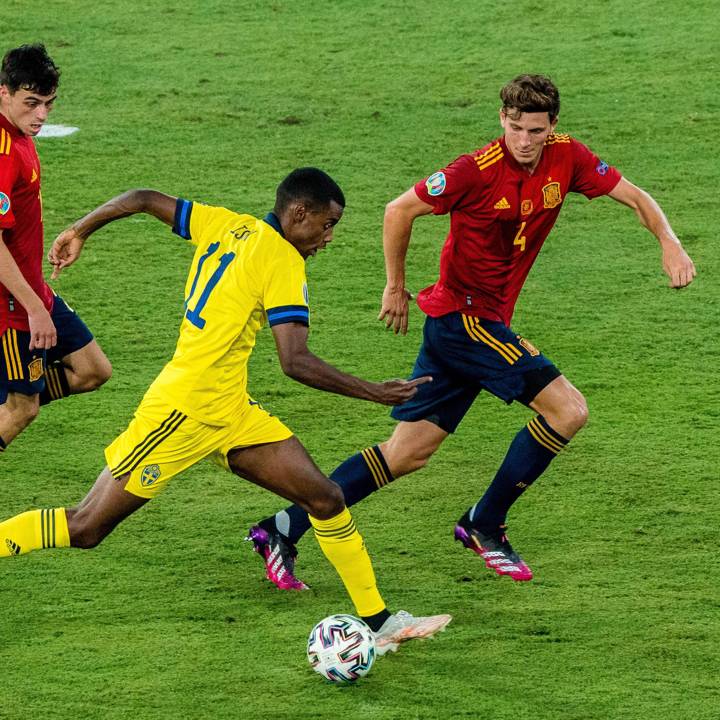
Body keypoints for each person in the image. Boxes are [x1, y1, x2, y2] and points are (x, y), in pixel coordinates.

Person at [248, 74, 696, 586]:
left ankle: (281, 527)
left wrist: (669, 241)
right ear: (502, 119)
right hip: (463, 321)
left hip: (469, 324)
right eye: (514, 127)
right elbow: (399, 210)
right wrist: (395, 286)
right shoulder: (474, 171)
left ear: (552, 128)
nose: (523, 141)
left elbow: (635, 196)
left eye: (535, 130)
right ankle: (484, 523)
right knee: (568, 409)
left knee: (406, 453)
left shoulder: (567, 156)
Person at [0, 168, 451, 653]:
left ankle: (379, 622)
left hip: (230, 408)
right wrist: (374, 392)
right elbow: (295, 361)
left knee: (324, 499)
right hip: (182, 411)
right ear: (299, 213)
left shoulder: (225, 224)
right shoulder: (282, 262)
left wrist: (80, 230)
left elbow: (142, 196)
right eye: (326, 224)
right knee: (87, 527)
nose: (328, 237)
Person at [0, 44, 112, 453]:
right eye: (32, 103)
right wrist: (32, 309)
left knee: (91, 370)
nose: (43, 115)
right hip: (12, 307)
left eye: (48, 103)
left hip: (33, 292)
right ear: (4, 93)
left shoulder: (18, 133)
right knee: (22, 409)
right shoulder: (3, 152)